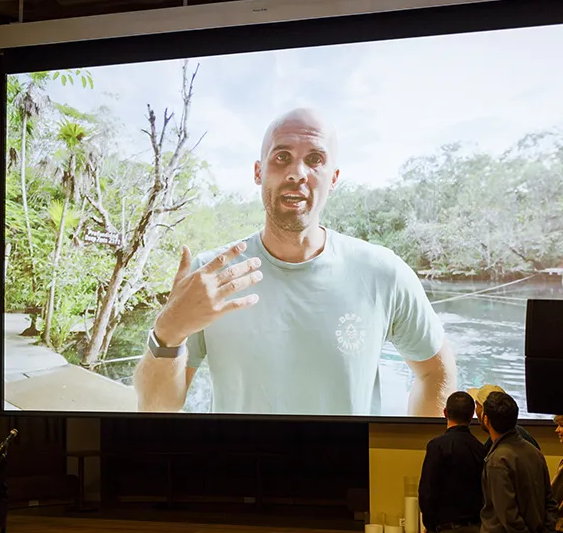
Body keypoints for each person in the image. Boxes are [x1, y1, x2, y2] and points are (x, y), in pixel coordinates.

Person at [134, 107, 457, 416]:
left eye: (315, 159)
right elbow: (155, 407)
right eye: (281, 157)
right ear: (259, 172)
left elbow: (436, 373)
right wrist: (169, 329)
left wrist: (415, 461)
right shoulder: (211, 277)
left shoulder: (384, 273)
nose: (297, 173)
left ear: (333, 178)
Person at [480, 392, 557, 533]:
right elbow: (550, 502)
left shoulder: (498, 460)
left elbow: (508, 514)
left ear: (486, 419)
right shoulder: (534, 452)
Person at [419, 391, 486, 533]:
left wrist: (430, 527)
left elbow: (427, 491)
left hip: (448, 532)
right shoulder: (481, 449)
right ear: (471, 416)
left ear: (445, 413)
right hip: (478, 531)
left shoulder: (437, 446)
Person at [468, 384, 540, 451]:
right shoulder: (520, 436)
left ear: (485, 414)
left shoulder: (500, 452)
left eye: (477, 405)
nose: (476, 410)